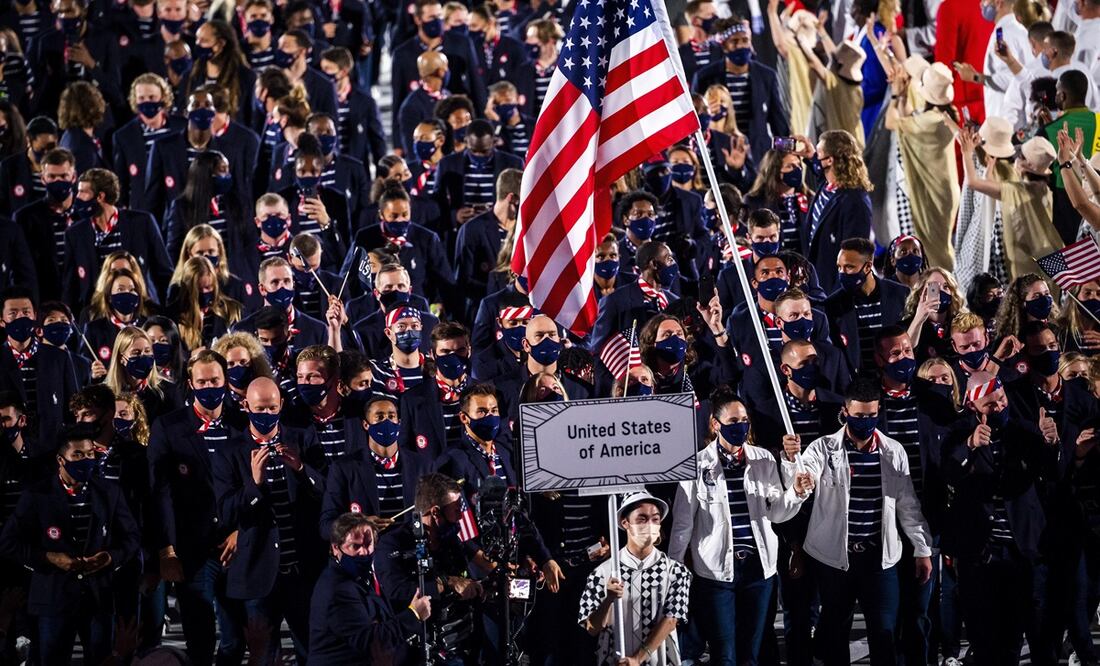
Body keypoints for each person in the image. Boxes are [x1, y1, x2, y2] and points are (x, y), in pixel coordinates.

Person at [778, 377, 933, 666]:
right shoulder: (823, 448)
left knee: (884, 632)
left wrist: (922, 549)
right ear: (846, 411)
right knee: (835, 632)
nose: (867, 421)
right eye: (860, 416)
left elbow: (908, 504)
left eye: (873, 415)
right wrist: (795, 468)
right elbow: (803, 474)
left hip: (879, 558)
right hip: (834, 559)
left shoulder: (893, 451)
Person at [669, 386, 808, 665]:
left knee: (750, 653)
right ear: (715, 424)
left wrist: (795, 492)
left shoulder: (764, 459)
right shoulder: (696, 465)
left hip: (759, 571)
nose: (741, 427)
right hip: (716, 573)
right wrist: (674, 570)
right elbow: (683, 523)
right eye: (733, 422)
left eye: (744, 421)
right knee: (725, 653)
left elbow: (778, 513)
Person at [0, 423, 138, 666]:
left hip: (98, 598)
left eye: (89, 454)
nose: (85, 460)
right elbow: (9, 542)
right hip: (53, 599)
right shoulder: (38, 495)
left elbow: (131, 538)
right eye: (77, 455)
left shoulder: (109, 492)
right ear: (61, 460)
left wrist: (110, 558)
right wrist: (48, 558)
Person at [941, 371, 1054, 665]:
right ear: (973, 406)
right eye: (990, 404)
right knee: (986, 640)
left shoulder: (1025, 431)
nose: (1000, 407)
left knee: (1027, 634)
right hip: (980, 555)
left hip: (1023, 551)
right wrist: (970, 446)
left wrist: (1051, 445)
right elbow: (948, 475)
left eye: (1001, 399)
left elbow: (1053, 476)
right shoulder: (957, 433)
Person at [213, 376, 325, 665]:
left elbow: (325, 491)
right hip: (259, 576)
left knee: (312, 651)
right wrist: (255, 484)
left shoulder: (302, 437)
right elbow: (226, 513)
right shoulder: (229, 452)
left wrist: (301, 469)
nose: (266, 415)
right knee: (263, 655)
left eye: (272, 408)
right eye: (259, 409)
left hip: (302, 571)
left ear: (282, 405)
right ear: (245, 405)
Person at [148, 348, 245, 666]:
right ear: (190, 383)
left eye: (215, 379)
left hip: (236, 547)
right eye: (202, 381)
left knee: (236, 638)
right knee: (199, 638)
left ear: (226, 379)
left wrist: (241, 530)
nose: (209, 387)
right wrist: (167, 549)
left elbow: (257, 484)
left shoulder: (243, 423)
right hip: (193, 550)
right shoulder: (168, 426)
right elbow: (160, 491)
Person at [579, 491, 692, 666]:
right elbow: (591, 628)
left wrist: (638, 659)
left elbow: (671, 619)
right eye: (642, 518)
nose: (650, 524)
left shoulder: (676, 572)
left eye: (655, 519)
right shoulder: (602, 573)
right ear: (625, 523)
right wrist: (608, 599)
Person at [307, 512, 431, 665]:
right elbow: (371, 641)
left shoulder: (362, 576)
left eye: (368, 543)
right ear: (335, 548)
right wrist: (414, 615)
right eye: (355, 546)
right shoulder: (338, 589)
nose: (364, 552)